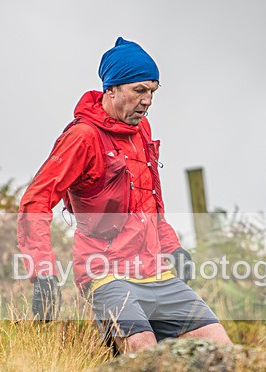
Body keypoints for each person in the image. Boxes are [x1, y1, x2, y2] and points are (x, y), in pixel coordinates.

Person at [17, 36, 231, 354]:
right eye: (139, 91)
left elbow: (149, 202)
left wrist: (172, 247)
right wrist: (44, 272)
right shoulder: (83, 137)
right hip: (107, 274)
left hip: (157, 272)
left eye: (152, 92)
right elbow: (36, 201)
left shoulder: (141, 131)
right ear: (112, 88)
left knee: (222, 352)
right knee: (143, 354)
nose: (147, 101)